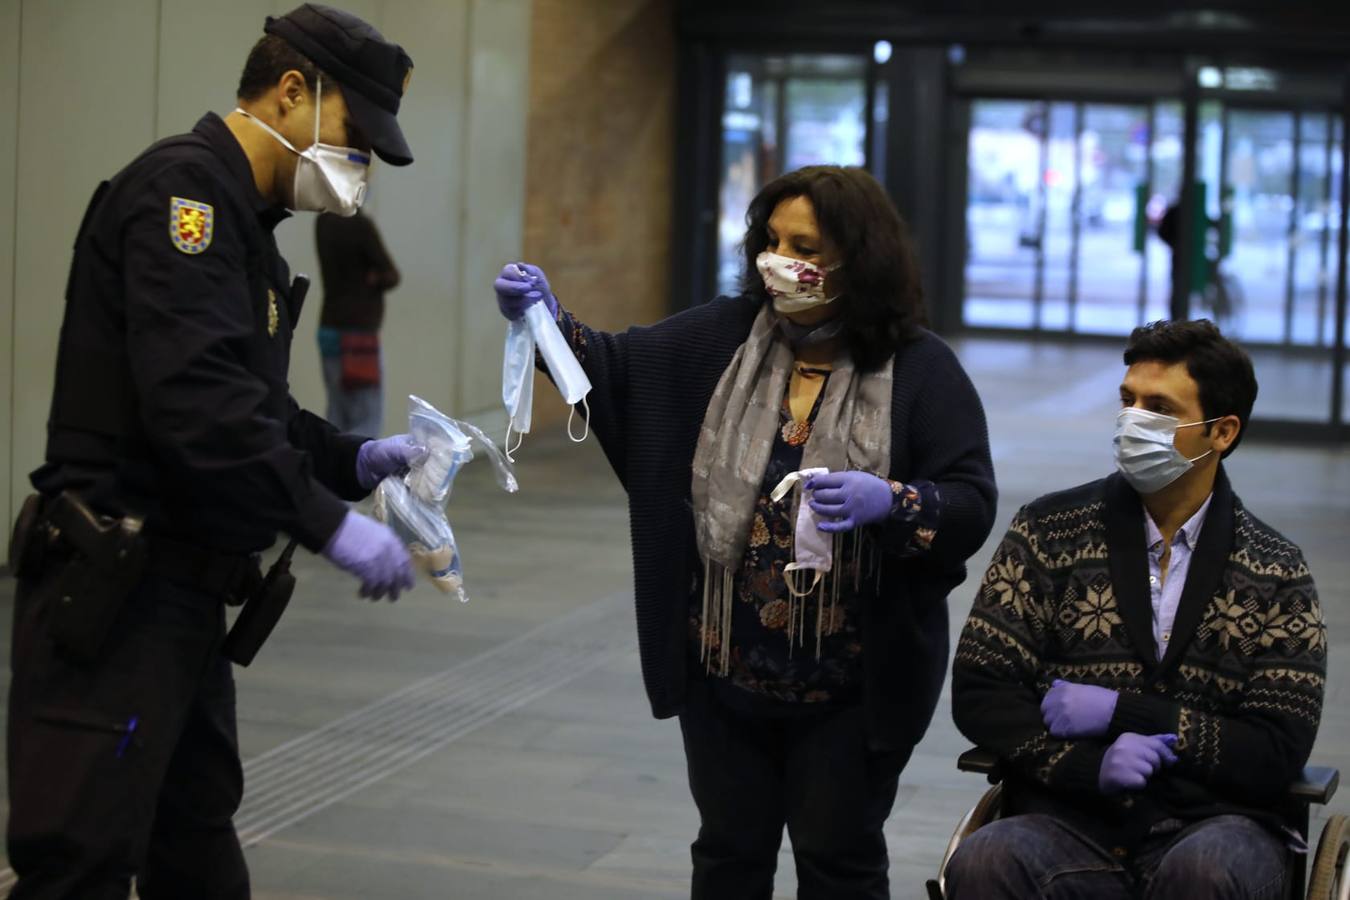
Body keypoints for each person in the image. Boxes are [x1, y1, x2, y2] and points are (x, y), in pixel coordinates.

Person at [6, 6, 423, 896]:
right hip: (117, 599)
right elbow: (199, 407)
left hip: (180, 604)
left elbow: (258, 408)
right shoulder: (182, 199)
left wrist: (352, 459)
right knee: (78, 864)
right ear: (292, 91)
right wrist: (325, 527)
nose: (359, 168)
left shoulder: (246, 229)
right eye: (355, 135)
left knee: (194, 853)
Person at [494, 166, 997, 899]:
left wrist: (893, 500)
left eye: (805, 245)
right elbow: (611, 370)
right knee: (728, 857)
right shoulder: (721, 337)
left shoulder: (922, 370)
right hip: (723, 675)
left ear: (861, 259)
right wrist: (539, 317)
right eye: (771, 239)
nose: (778, 260)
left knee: (840, 862)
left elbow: (971, 500)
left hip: (853, 691)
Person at [946, 319, 1325, 900]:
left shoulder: (1275, 570)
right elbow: (982, 688)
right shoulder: (1049, 532)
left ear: (1221, 432)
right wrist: (1081, 767)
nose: (1133, 420)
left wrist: (1129, 714)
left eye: (1159, 407)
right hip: (1071, 818)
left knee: (1202, 872)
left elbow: (1277, 747)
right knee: (986, 860)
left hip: (1219, 826)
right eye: (1127, 400)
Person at [316, 208, 400, 435]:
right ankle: (356, 471)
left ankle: (332, 470)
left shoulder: (323, 222)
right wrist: (373, 277)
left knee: (337, 413)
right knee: (365, 421)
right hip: (358, 338)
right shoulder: (360, 226)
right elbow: (392, 274)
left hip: (328, 330)